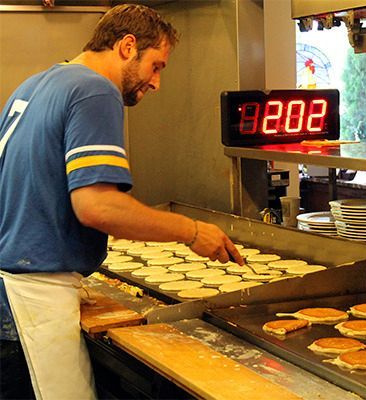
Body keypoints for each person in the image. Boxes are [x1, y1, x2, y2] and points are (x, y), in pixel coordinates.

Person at [0, 5, 243, 399]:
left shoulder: (34, 85)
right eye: (157, 66)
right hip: (33, 303)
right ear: (128, 46)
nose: (157, 82)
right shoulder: (94, 89)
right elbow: (97, 206)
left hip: (11, 291)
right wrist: (191, 230)